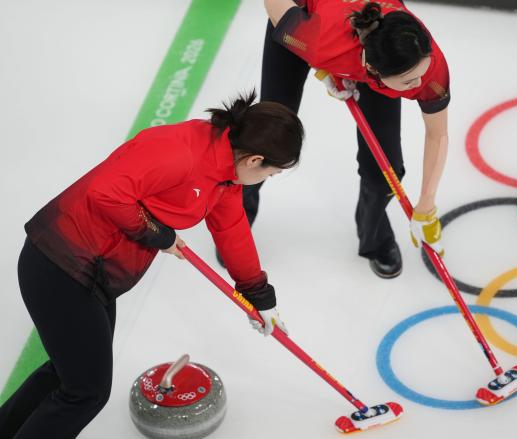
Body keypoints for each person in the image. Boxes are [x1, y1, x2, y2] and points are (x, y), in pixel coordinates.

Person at [0, 91, 303, 438]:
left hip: (93, 272)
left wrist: (258, 295)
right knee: (85, 392)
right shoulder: (182, 153)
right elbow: (106, 192)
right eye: (273, 172)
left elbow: (232, 229)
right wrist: (160, 235)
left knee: (68, 374)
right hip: (62, 263)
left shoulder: (223, 172)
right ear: (254, 160)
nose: (271, 178)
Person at [243, 0, 450, 278]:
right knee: (266, 141)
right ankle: (237, 218)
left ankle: (374, 238)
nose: (419, 84)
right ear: (373, 70)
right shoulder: (317, 41)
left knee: (384, 172)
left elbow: (438, 135)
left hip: (357, 55)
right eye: (409, 82)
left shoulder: (427, 63)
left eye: (421, 74)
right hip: (304, 18)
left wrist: (426, 205)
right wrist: (324, 65)